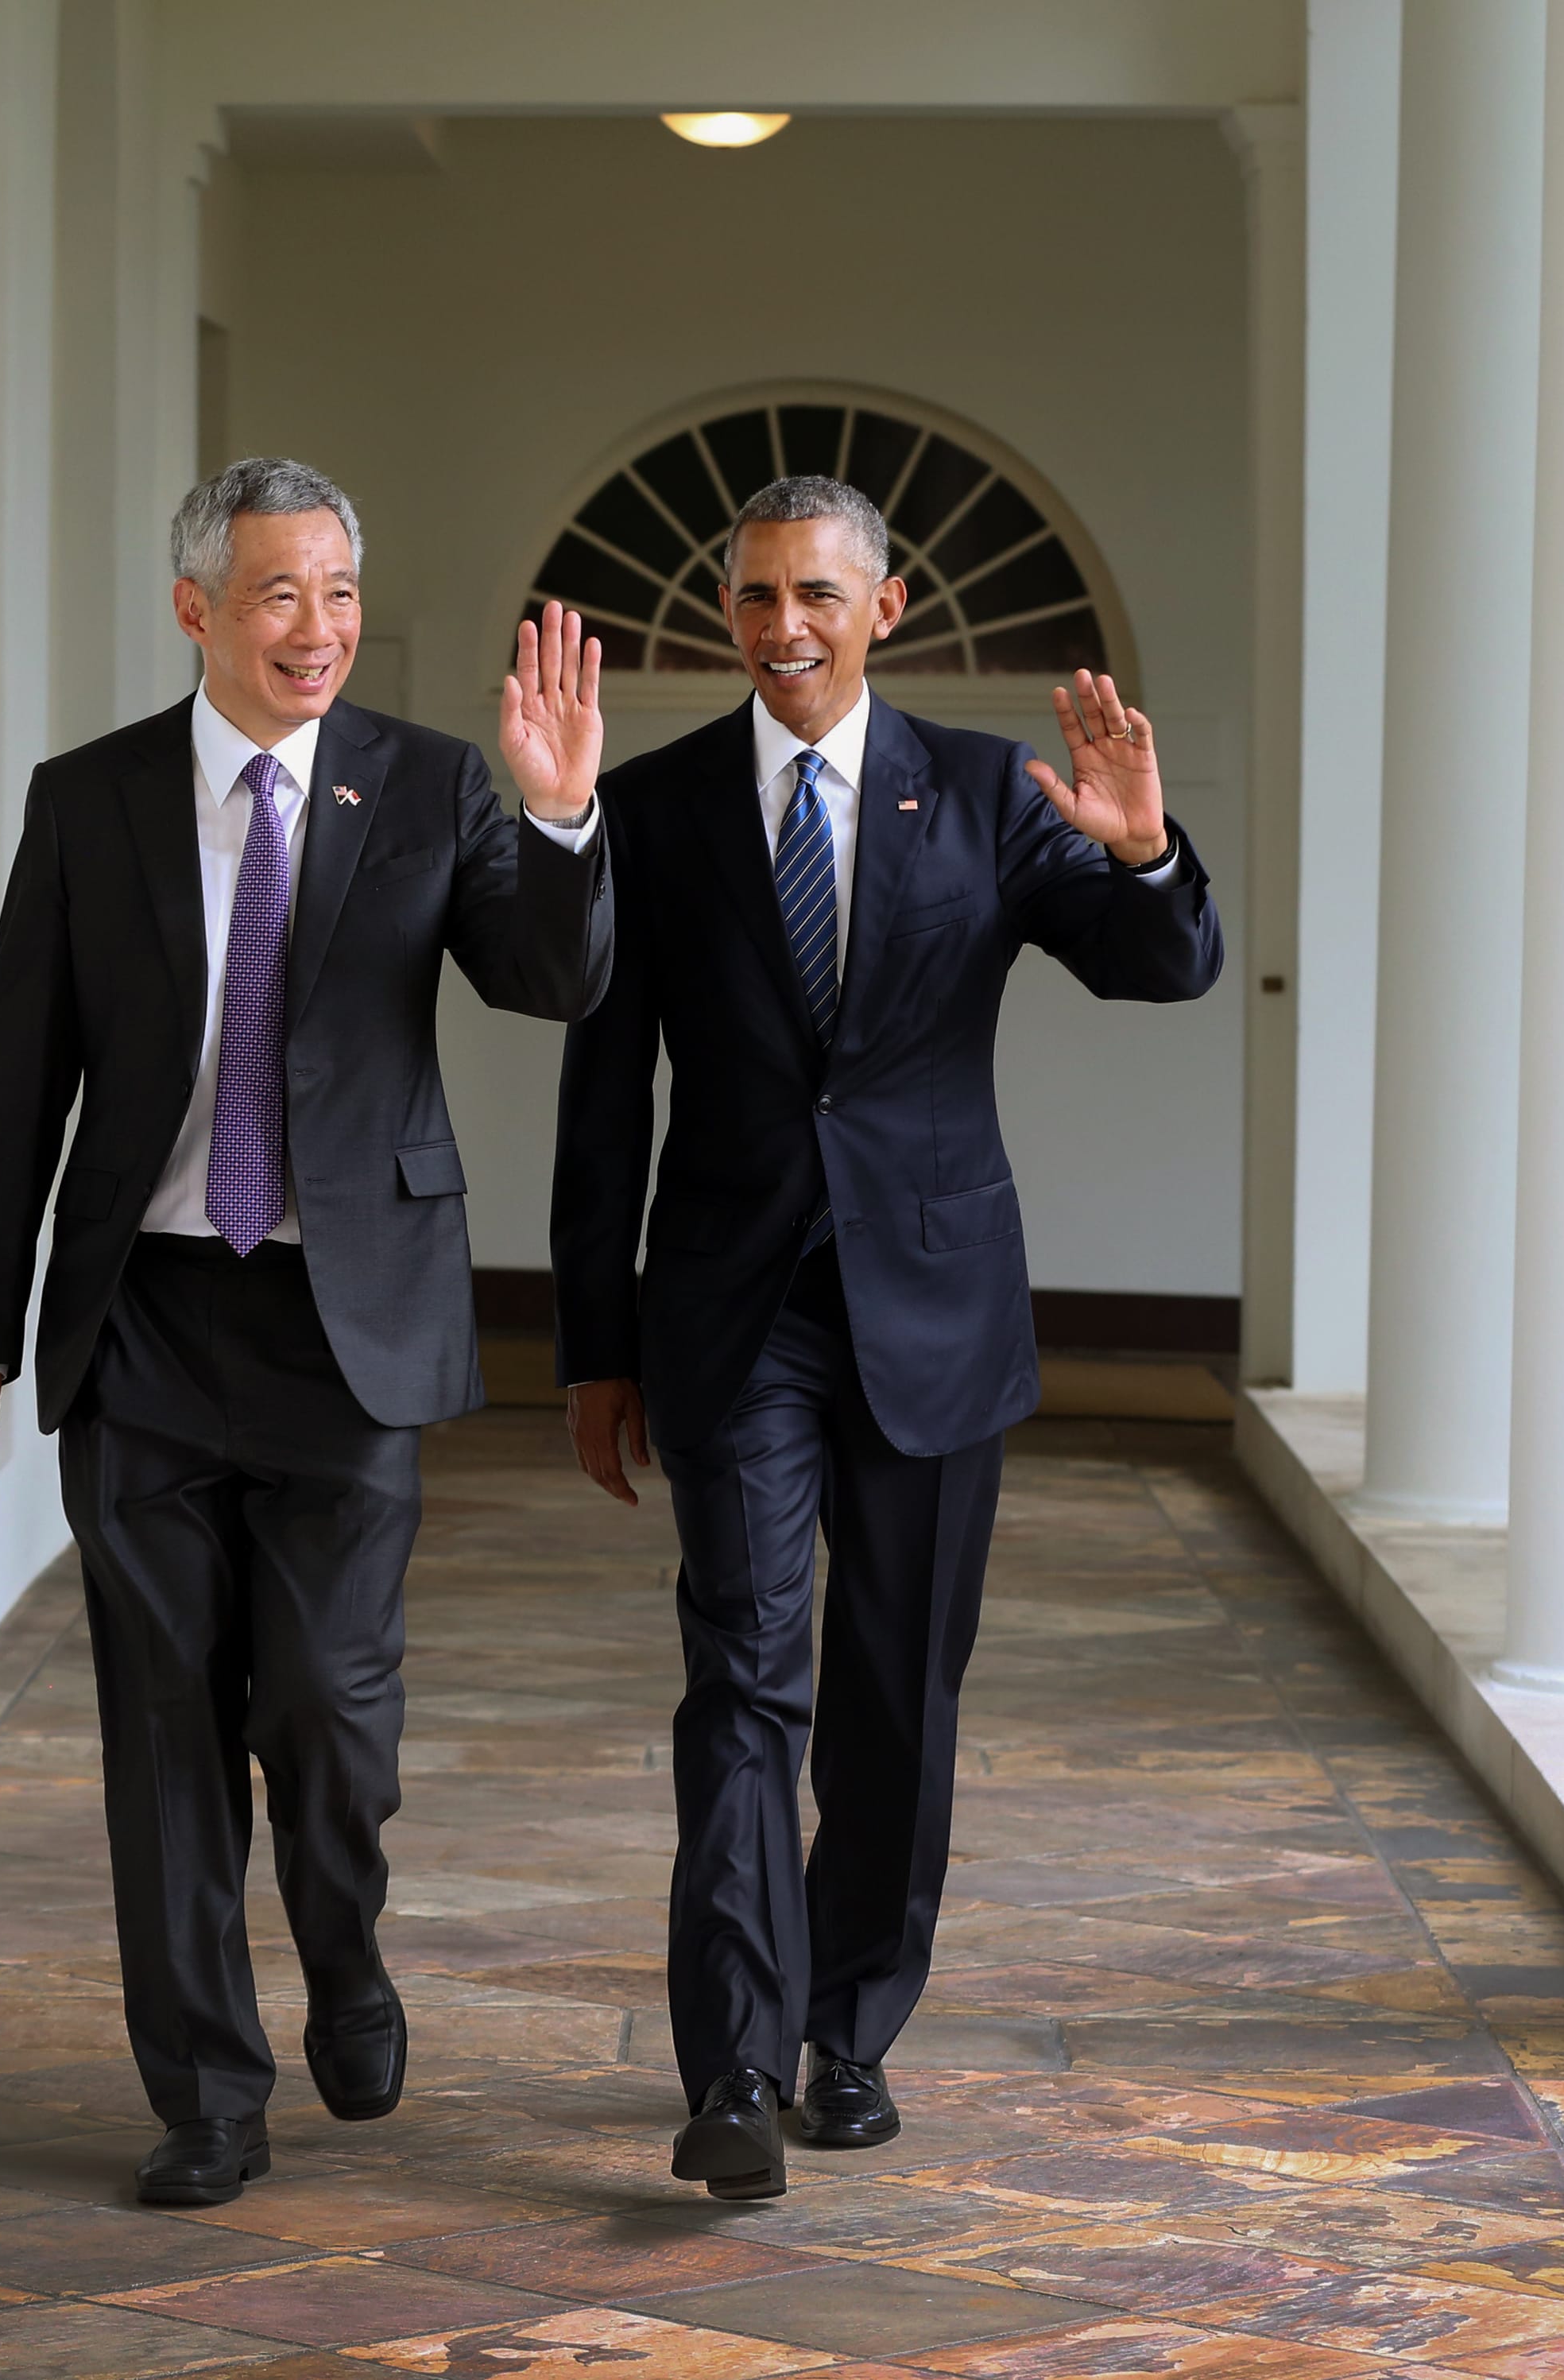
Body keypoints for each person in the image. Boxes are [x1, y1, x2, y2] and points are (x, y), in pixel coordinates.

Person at [0, 457, 611, 2206]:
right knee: (162, 1723)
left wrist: (554, 822)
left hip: (346, 1324)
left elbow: (550, 980)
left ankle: (346, 1947)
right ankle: (206, 2097)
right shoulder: (89, 803)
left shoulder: (431, 784)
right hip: (144, 1321)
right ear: (196, 611)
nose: (316, 632)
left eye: (339, 596)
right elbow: (22, 1078)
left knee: (325, 1704)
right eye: (278, 597)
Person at [551, 475, 1221, 2201]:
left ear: (885, 607)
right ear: (731, 610)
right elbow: (604, 1096)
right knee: (742, 1679)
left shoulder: (992, 793)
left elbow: (1156, 971)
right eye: (757, 595)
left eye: (816, 597)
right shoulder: (652, 806)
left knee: (895, 1698)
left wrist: (1142, 849)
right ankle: (734, 2072)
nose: (783, 626)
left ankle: (850, 2036)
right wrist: (591, 1340)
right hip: (733, 1315)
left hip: (932, 1311)